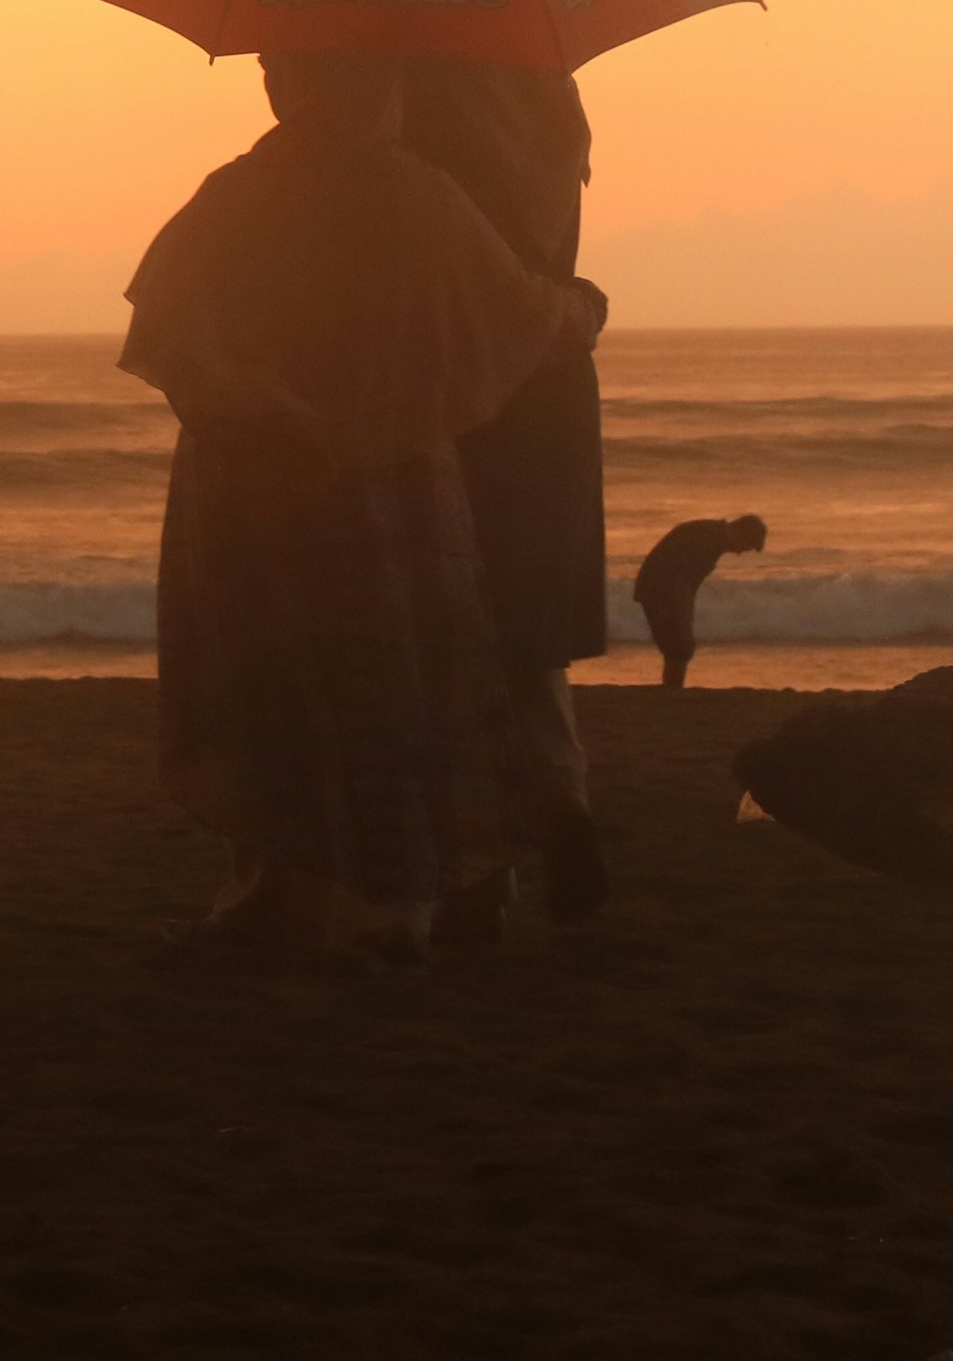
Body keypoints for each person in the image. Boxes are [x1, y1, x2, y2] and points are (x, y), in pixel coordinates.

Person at [125, 50, 604, 966]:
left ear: (285, 88)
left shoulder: (237, 193)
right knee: (406, 690)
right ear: (382, 91)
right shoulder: (416, 194)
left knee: (264, 687)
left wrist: (262, 407)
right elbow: (518, 313)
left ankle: (277, 896)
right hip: (392, 491)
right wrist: (581, 308)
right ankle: (411, 905)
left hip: (250, 491)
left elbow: (169, 332)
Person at [396, 58, 612, 924]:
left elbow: (429, 259)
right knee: (528, 637)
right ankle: (560, 802)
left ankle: (484, 875)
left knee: (445, 633)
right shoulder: (551, 98)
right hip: (551, 381)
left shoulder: (426, 104)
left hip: (460, 375)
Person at [632, 515, 767, 686]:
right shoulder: (706, 539)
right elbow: (680, 579)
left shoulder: (713, 537)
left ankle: (672, 689)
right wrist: (682, 613)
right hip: (657, 588)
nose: (740, 552)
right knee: (680, 646)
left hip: (663, 588)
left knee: (679, 646)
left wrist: (686, 612)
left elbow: (689, 583)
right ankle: (672, 691)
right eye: (746, 545)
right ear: (739, 532)